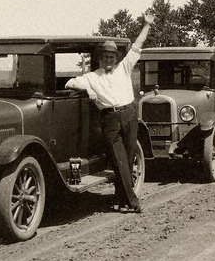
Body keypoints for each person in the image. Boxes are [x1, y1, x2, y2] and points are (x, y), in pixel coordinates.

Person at [65, 13, 154, 213]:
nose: (108, 60)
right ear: (99, 59)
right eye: (105, 57)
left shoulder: (124, 68)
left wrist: (147, 25)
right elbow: (68, 82)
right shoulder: (91, 77)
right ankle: (133, 202)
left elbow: (138, 45)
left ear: (116, 58)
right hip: (110, 119)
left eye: (111, 57)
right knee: (119, 160)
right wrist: (87, 89)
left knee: (128, 159)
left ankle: (120, 199)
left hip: (130, 114)